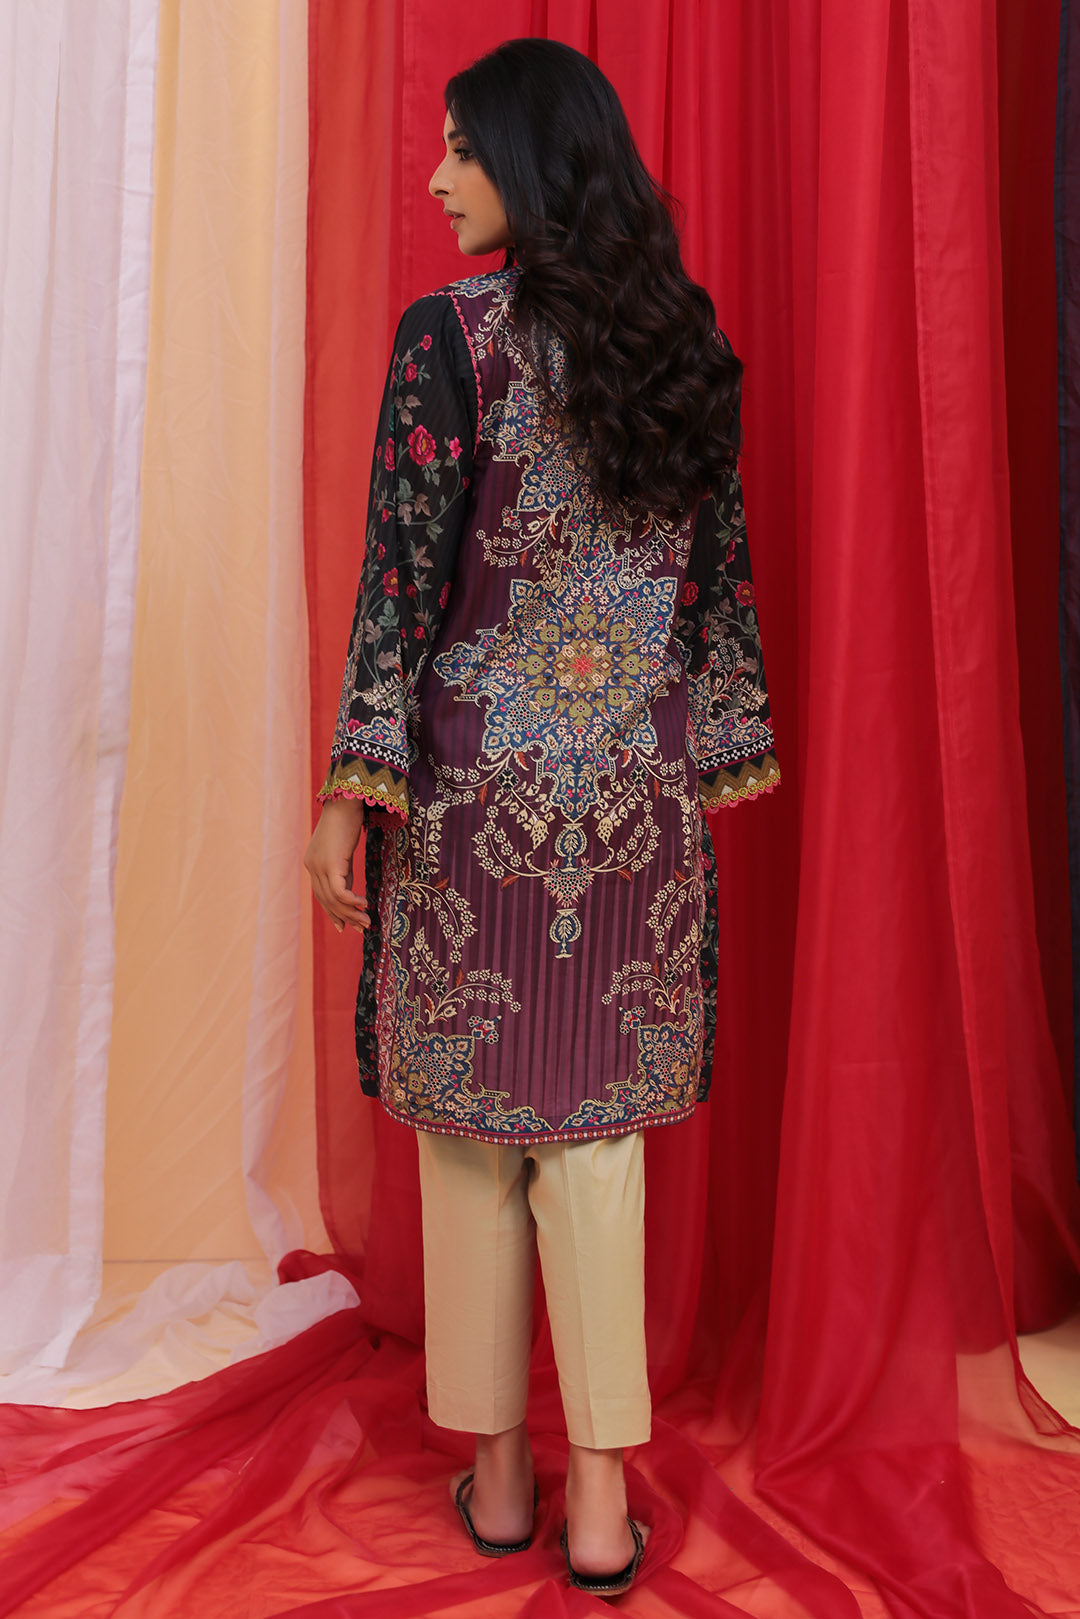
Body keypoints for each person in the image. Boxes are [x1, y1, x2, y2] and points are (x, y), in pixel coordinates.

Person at [303, 36, 779, 1599]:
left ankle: (501, 1484)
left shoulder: (450, 342)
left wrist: (347, 793)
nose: (437, 177)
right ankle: (599, 1510)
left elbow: (401, 581)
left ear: (524, 156)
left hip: (478, 805)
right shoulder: (680, 342)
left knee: (474, 1148)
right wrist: (716, 759)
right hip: (632, 810)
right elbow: (715, 590)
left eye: (462, 148)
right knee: (594, 1152)